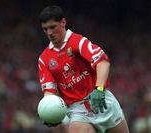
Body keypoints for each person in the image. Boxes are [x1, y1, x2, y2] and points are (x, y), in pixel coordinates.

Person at [37, 5, 130, 133]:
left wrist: (99, 89)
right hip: (77, 111)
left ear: (63, 22)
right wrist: (48, 109)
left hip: (102, 102)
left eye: (52, 27)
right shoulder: (44, 59)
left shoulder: (78, 42)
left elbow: (102, 62)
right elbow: (49, 92)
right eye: (45, 29)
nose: (49, 33)